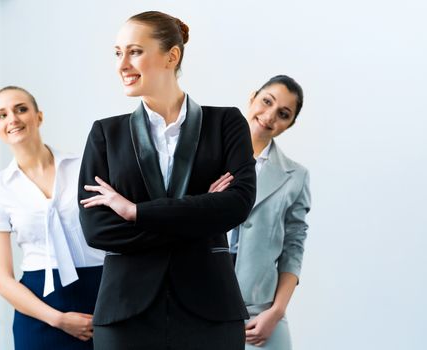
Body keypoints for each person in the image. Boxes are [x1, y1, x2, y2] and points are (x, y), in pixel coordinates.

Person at [77, 10, 257, 350]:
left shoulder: (227, 124)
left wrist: (136, 212)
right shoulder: (106, 134)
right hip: (126, 314)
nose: (122, 64)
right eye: (118, 53)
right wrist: (200, 213)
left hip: (210, 310)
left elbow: (236, 205)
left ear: (171, 55)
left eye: (135, 51)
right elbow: (97, 229)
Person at [0, 86, 104, 349]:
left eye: (21, 109)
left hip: (101, 295)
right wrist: (58, 319)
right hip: (39, 309)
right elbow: (2, 279)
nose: (12, 119)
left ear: (39, 117)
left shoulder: (83, 166)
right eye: (1, 115)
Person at [230, 75, 311, 349]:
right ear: (252, 97)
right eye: (266, 101)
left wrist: (275, 312)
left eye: (283, 114)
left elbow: (293, 249)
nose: (269, 116)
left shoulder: (295, 177)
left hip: (259, 313)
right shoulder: (206, 156)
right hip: (200, 305)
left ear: (290, 125)